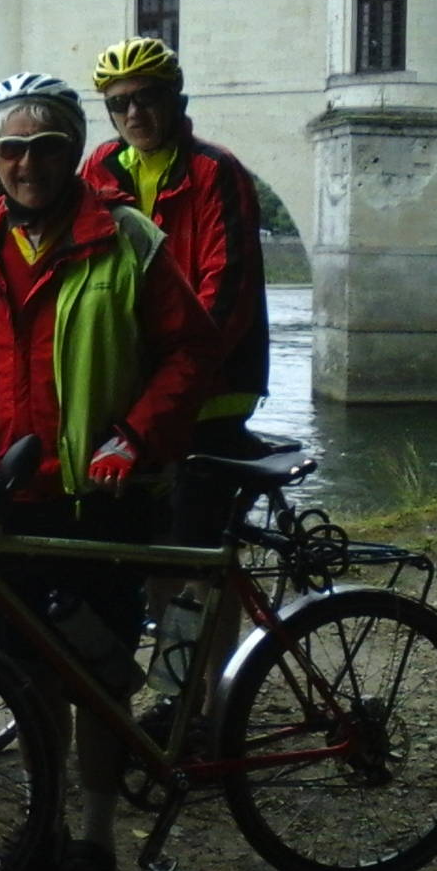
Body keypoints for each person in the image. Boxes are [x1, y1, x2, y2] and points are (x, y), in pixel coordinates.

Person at [0, 72, 217, 871]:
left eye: (46, 148)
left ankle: (97, 841)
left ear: (74, 152)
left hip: (105, 498)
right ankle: (41, 832)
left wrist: (136, 438)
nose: (28, 164)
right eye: (12, 148)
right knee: (33, 675)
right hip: (16, 496)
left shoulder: (128, 238)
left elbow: (190, 353)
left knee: (99, 679)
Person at [81, 37, 270, 724]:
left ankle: (188, 706)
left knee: (190, 562)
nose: (134, 114)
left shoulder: (216, 172)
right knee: (144, 552)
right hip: (145, 394)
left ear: (174, 99)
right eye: (119, 104)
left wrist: (182, 374)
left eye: (146, 99)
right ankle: (172, 689)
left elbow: (228, 292)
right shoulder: (102, 168)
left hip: (211, 390)